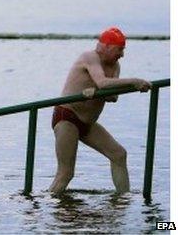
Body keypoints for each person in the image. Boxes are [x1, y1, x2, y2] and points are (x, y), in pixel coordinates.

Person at [49, 27, 151, 196]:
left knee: (119, 154)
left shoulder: (115, 65)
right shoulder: (89, 57)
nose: (122, 54)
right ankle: (48, 204)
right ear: (108, 47)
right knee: (66, 173)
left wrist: (97, 94)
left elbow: (113, 97)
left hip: (88, 123)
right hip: (67, 117)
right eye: (120, 49)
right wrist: (135, 82)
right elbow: (102, 83)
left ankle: (122, 200)